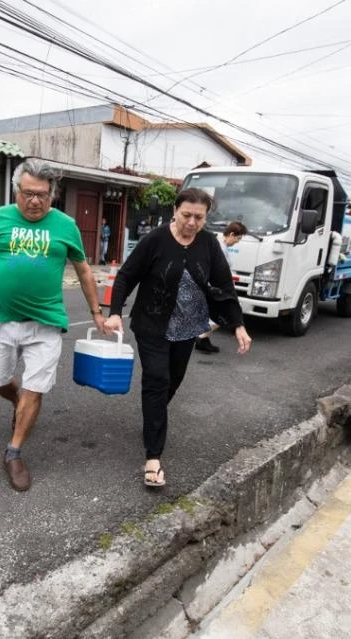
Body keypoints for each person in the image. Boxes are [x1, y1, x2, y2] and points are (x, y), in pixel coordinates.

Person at [0, 158, 107, 492]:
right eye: (28, 193)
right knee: (0, 382)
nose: (34, 201)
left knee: (35, 388)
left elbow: (83, 270)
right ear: (17, 192)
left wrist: (96, 312)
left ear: (52, 195)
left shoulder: (65, 225)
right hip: (3, 319)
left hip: (47, 323)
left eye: (41, 194)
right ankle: (17, 402)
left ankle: (13, 452)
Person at [104, 188, 252, 488]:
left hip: (187, 328)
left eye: (199, 217)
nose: (192, 222)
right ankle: (153, 456)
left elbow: (224, 285)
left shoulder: (209, 243)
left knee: (172, 381)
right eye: (187, 215)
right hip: (151, 325)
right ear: (175, 211)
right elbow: (126, 276)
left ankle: (153, 418)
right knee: (156, 380)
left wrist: (237, 324)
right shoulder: (155, 240)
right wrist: (116, 311)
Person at [196, 220, 248, 353]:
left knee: (212, 313)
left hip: (215, 288)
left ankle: (203, 339)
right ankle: (201, 335)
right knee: (224, 312)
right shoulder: (219, 248)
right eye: (238, 238)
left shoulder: (219, 245)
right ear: (231, 234)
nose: (237, 241)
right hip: (216, 289)